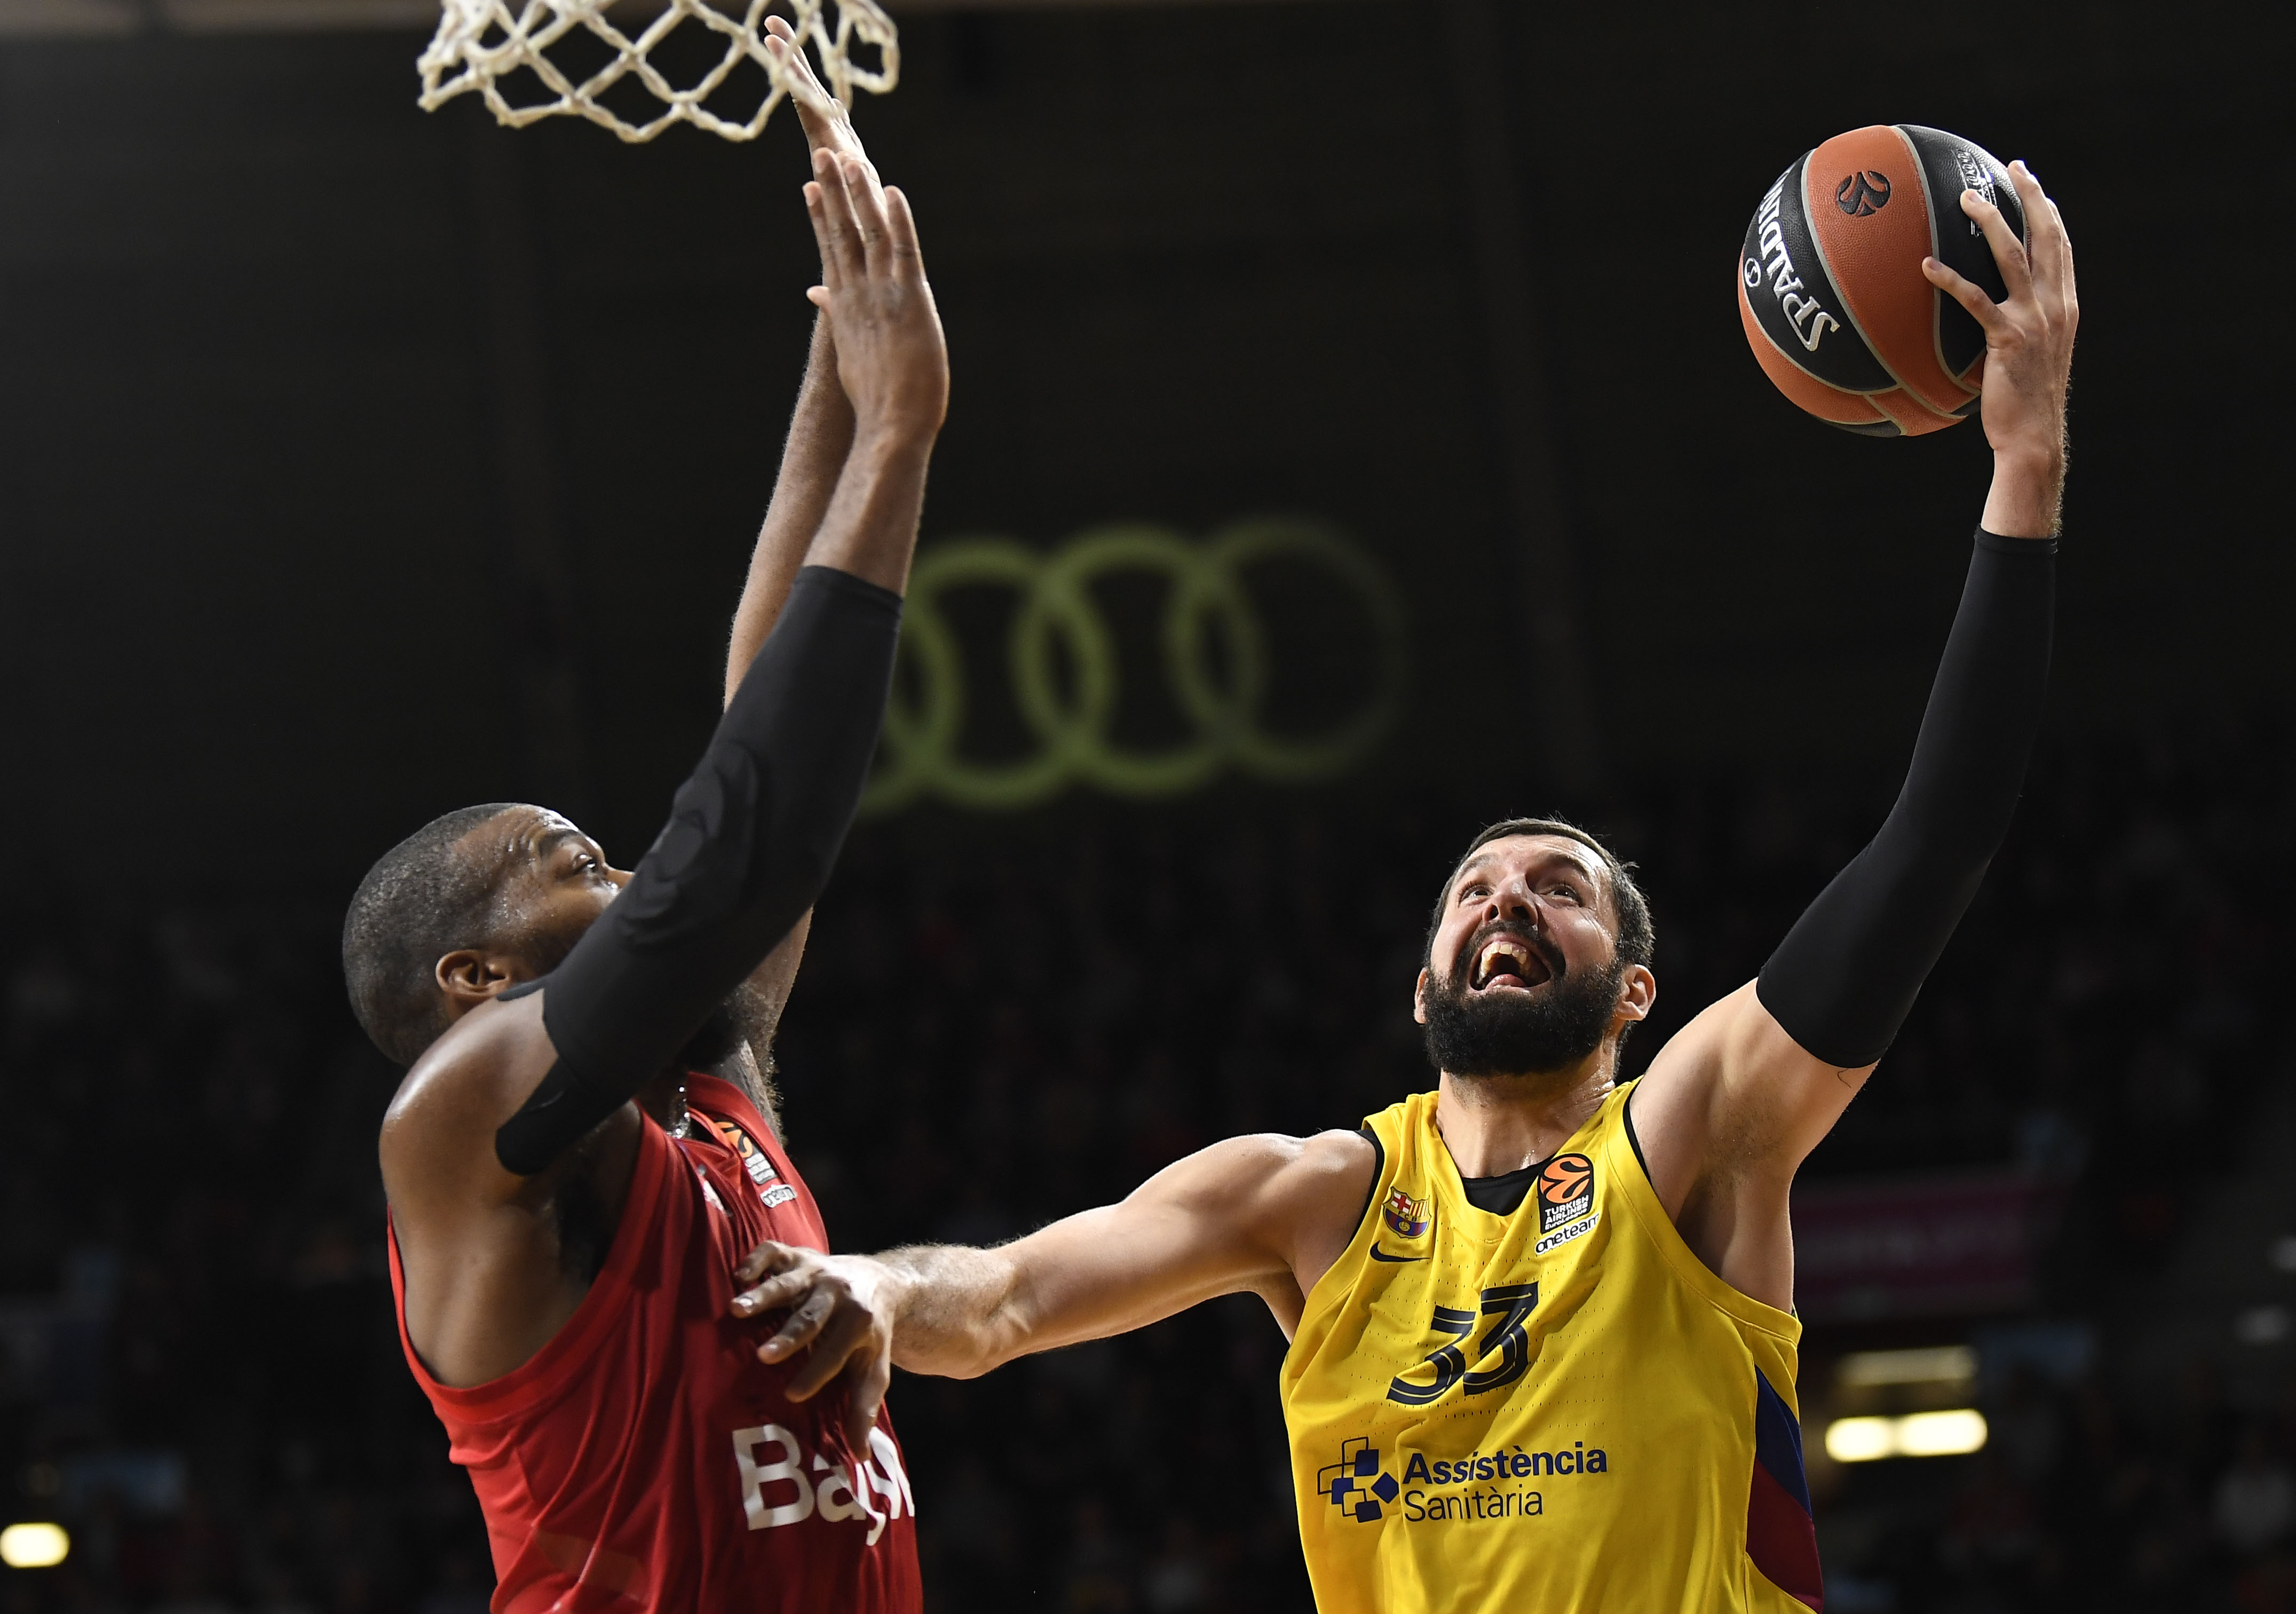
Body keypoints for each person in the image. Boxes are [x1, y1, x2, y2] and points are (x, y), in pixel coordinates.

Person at [735, 164, 2078, 1612]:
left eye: (1558, 888)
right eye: (1473, 890)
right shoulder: (1309, 1200)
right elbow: (998, 1302)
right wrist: (874, 1288)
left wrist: (2028, 467)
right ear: (1421, 984)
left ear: (1636, 987)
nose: (1506, 901)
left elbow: (1936, 838)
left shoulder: (1697, 1137)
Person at [342, 29, 946, 1612]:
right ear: (473, 978)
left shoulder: (700, 1089)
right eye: (574, 866)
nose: (625, 871)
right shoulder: (466, 1122)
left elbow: (755, 749)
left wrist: (837, 365)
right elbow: (739, 847)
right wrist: (901, 440)